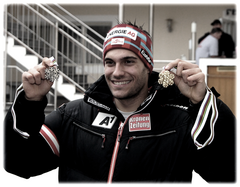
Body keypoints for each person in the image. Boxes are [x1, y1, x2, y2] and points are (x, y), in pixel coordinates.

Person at [4, 21, 235, 183]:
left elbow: (226, 173)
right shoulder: (73, 116)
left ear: (148, 66)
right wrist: (30, 102)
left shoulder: (180, 122)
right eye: (110, 62)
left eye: (128, 61)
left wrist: (204, 103)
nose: (117, 72)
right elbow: (18, 163)